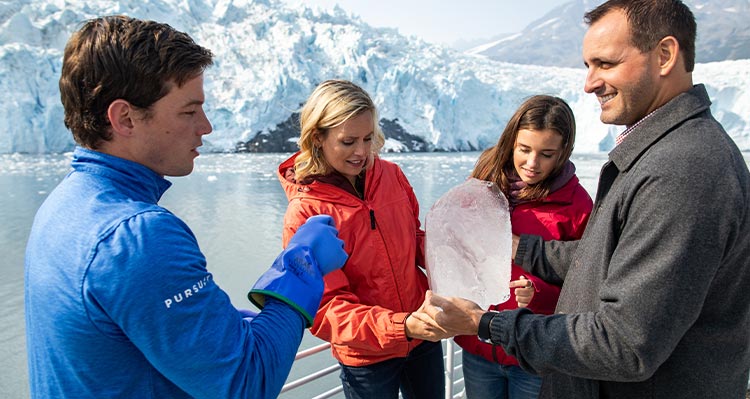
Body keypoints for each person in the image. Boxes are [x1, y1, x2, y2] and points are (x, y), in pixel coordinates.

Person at [417, 1, 750, 398]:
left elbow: (625, 343)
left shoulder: (683, 170)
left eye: (605, 64)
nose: (589, 83)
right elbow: (608, 258)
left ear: (664, 55)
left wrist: (486, 324)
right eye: (587, 66)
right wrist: (518, 248)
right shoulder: (664, 155)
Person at [24, 15, 348, 399]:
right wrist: (300, 265)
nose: (206, 126)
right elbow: (245, 383)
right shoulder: (137, 236)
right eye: (188, 111)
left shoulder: (64, 207)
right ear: (125, 118)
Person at [277, 79, 448, 399]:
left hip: (423, 337)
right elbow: (327, 307)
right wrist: (402, 326)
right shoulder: (306, 212)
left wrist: (462, 263)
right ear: (318, 138)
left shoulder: (392, 176)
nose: (362, 152)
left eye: (368, 138)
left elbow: (415, 239)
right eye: (348, 141)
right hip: (367, 357)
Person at [455, 95, 593, 399]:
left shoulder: (577, 205)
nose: (532, 163)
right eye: (524, 149)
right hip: (481, 346)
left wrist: (539, 294)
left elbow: (587, 282)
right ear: (511, 142)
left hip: (533, 355)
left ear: (563, 152)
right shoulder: (485, 181)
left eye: (546, 154)